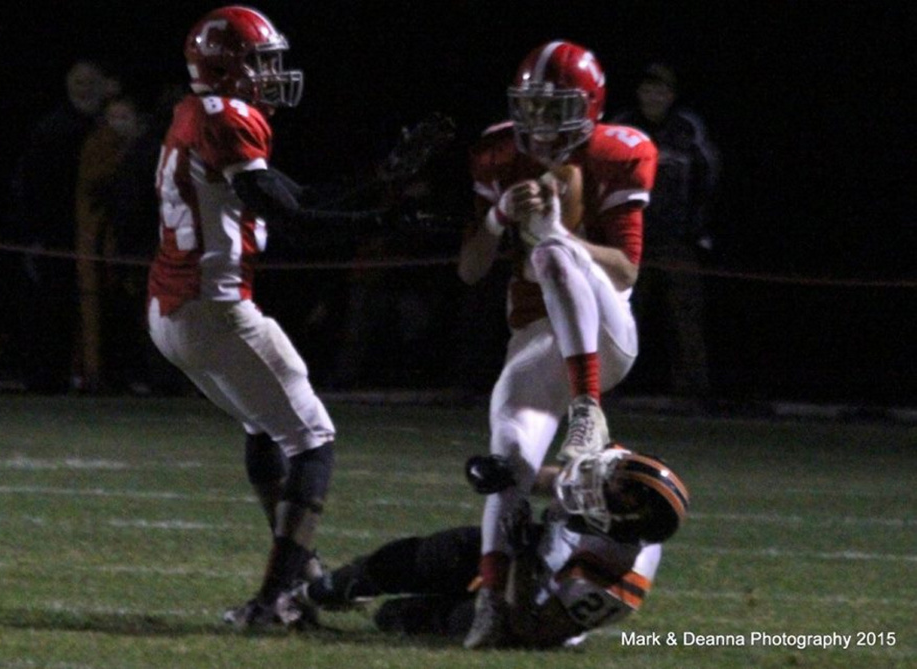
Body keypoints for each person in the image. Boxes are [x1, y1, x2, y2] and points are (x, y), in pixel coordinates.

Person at [146, 6, 387, 630]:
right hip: (215, 310)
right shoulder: (226, 116)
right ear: (227, 65)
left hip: (174, 310)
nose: (273, 73)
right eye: (260, 61)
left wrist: (377, 181)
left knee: (268, 427)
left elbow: (292, 198)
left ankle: (298, 577)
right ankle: (276, 600)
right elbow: (292, 213)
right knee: (313, 440)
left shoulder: (195, 111)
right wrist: (378, 217)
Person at [457, 41, 658, 648]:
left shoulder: (620, 153)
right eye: (533, 107)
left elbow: (624, 270)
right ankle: (491, 602)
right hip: (535, 340)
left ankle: (588, 410)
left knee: (550, 252)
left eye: (556, 107)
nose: (540, 122)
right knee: (509, 465)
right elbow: (470, 270)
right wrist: (496, 220)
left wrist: (556, 235)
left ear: (589, 107)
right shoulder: (498, 153)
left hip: (605, 333)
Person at [296, 444, 690, 649]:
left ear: (627, 517)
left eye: (614, 487)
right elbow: (556, 481)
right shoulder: (604, 499)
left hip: (524, 605)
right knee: (417, 556)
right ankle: (315, 592)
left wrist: (520, 557)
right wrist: (505, 474)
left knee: (399, 618)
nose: (598, 481)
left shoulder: (614, 580)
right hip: (527, 551)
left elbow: (531, 628)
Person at [611, 63, 720, 400]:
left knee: (685, 315)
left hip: (677, 240)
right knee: (621, 315)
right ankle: (609, 387)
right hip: (629, 241)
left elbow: (710, 174)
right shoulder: (622, 126)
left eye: (661, 90)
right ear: (638, 92)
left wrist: (698, 227)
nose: (653, 96)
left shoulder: (688, 127)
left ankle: (693, 393)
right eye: (648, 89)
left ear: (671, 95)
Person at [14, 59, 119, 393]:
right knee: (53, 306)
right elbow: (33, 185)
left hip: (93, 232)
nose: (83, 89)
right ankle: (47, 377)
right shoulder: (54, 128)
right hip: (58, 232)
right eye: (77, 82)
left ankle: (84, 374)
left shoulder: (104, 127)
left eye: (90, 83)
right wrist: (36, 233)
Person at [75, 95, 145, 392]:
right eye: (113, 117)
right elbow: (94, 185)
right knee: (95, 307)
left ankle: (126, 373)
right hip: (98, 244)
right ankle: (94, 374)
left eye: (124, 117)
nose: (118, 124)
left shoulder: (143, 148)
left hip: (128, 243)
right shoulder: (99, 147)